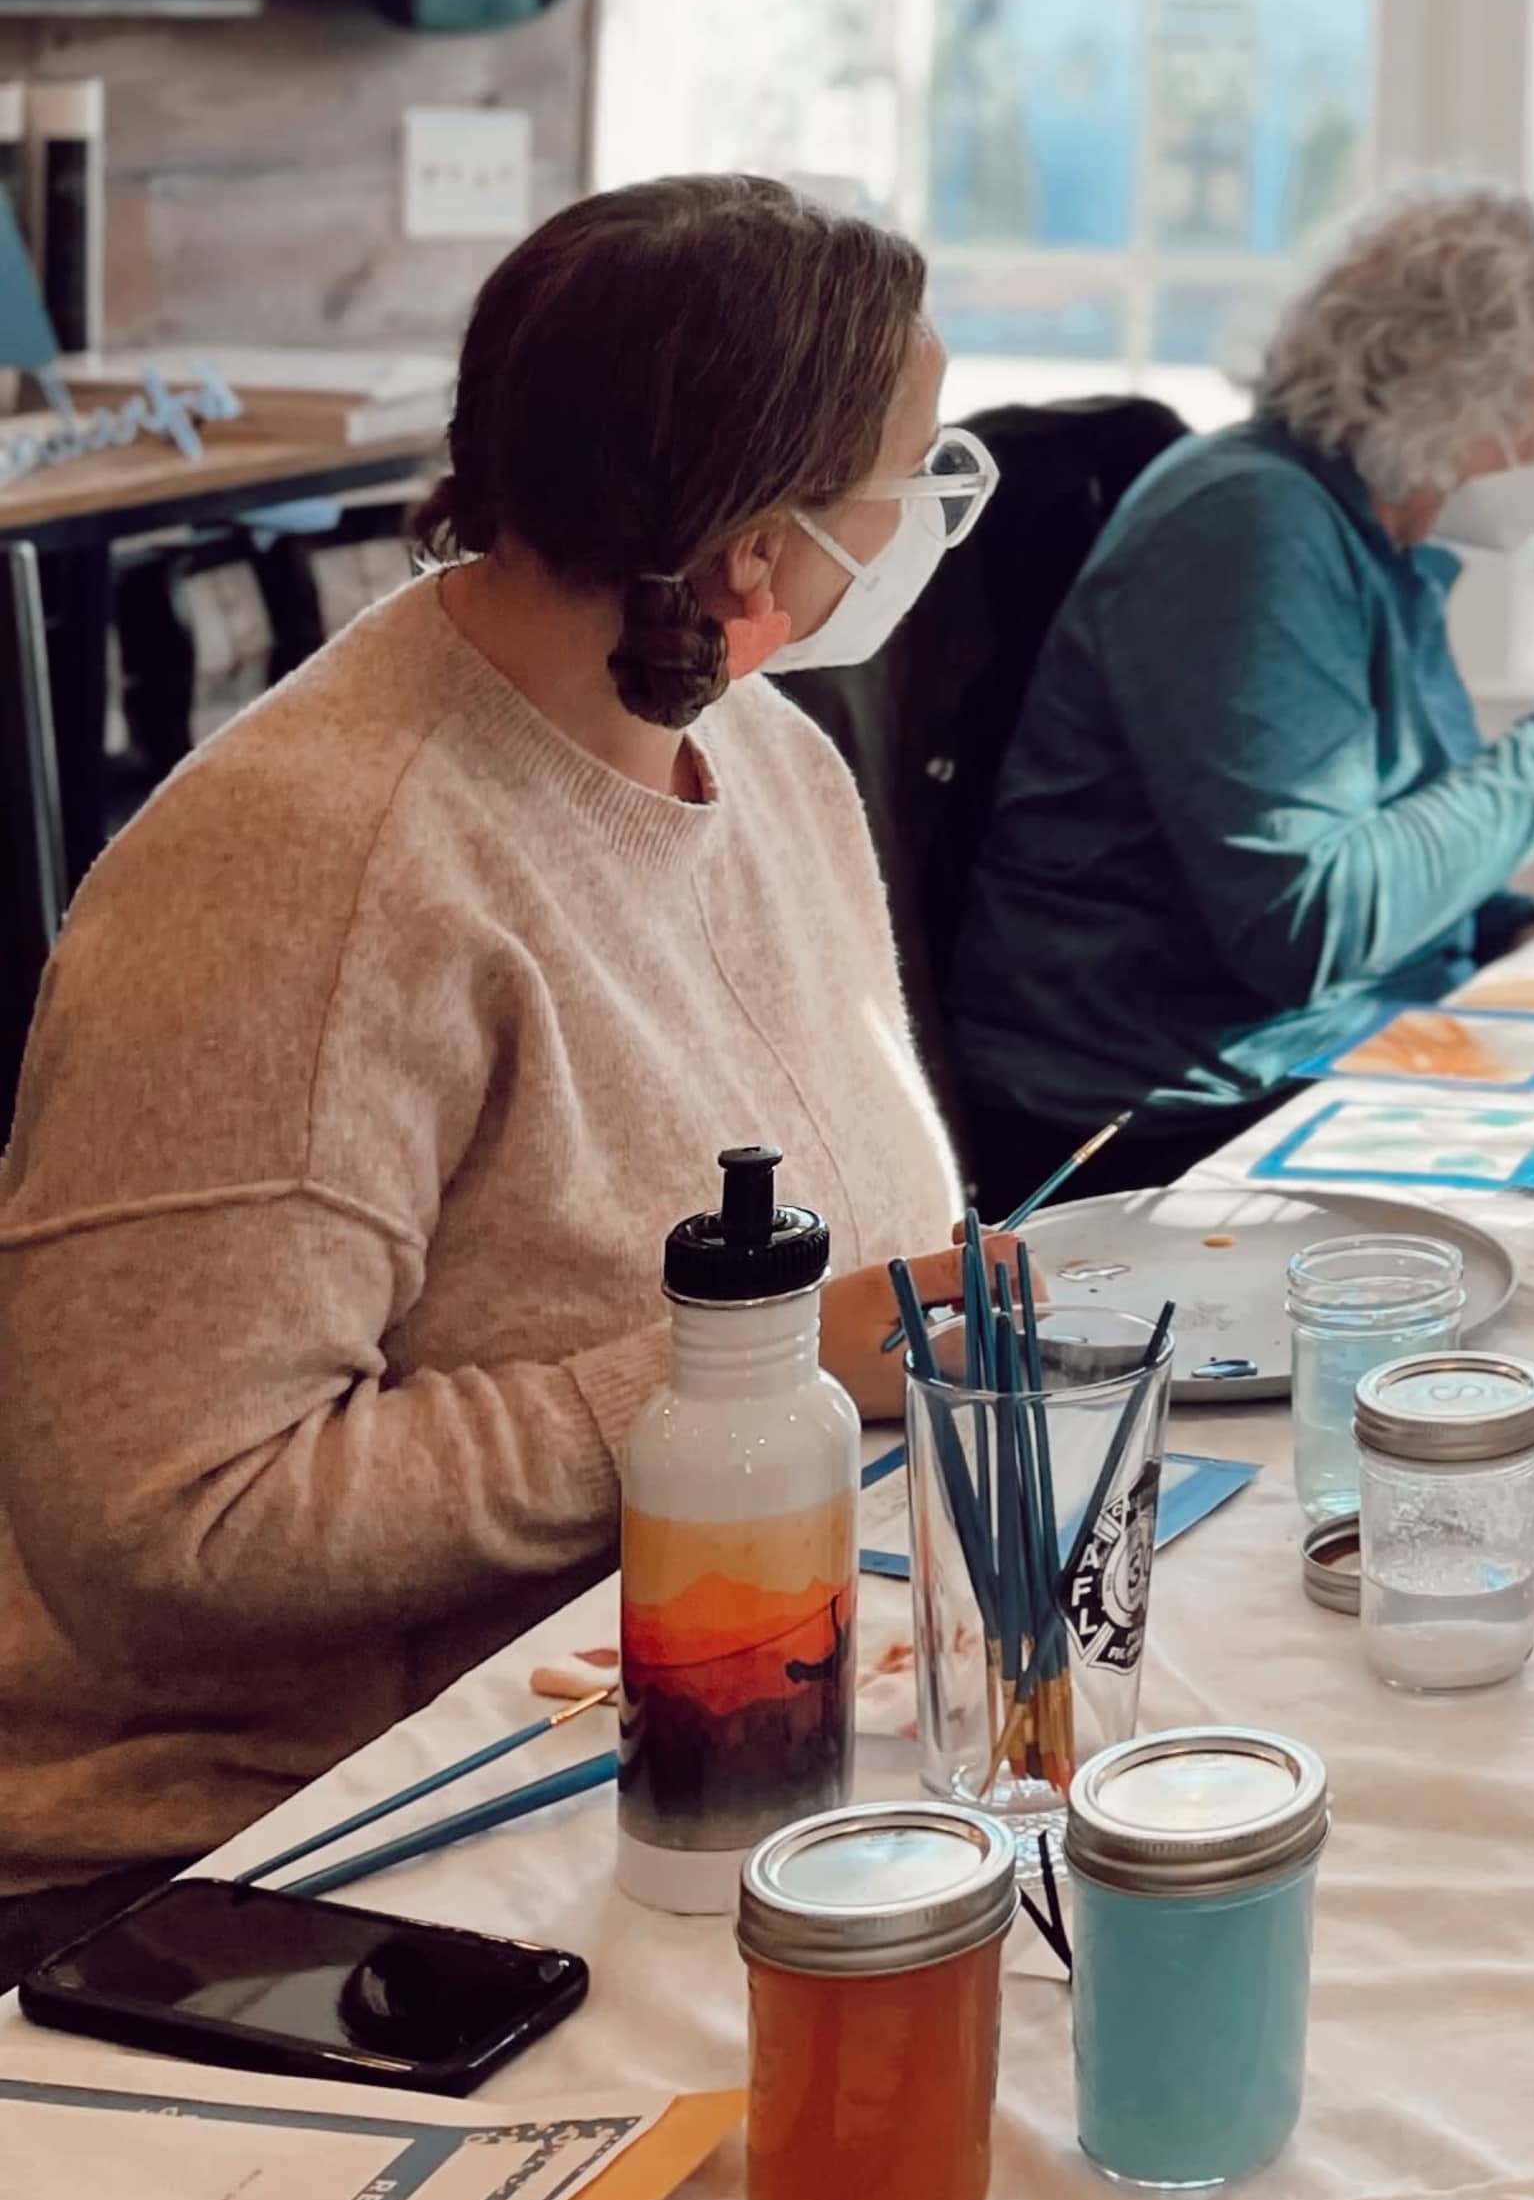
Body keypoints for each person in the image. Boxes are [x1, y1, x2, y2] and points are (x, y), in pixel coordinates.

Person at [0, 176, 976, 1961]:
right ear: (757, 556)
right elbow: (165, 1525)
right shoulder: (310, 874)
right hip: (290, 1850)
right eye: (907, 483)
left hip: (690, 1722)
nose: (925, 522)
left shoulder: (768, 762)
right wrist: (748, 1384)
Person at [946, 181, 1534, 1207]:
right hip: (1164, 1130)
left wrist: (1508, 925)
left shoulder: (1376, 538)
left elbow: (1387, 836)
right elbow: (1305, 926)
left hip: (1323, 1064)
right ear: (1446, 392)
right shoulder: (1249, 527)